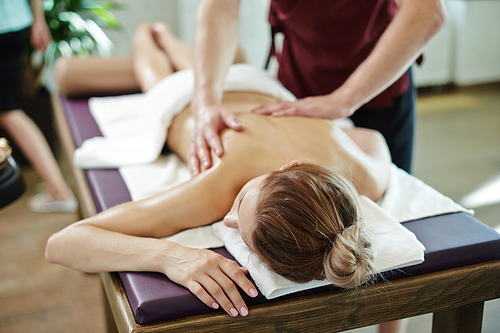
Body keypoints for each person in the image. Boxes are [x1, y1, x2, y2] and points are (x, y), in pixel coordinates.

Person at [47, 22, 392, 319]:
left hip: (256, 83)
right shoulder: (220, 183)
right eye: (239, 202)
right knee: (158, 78)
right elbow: (63, 243)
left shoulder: (361, 177)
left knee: (213, 63)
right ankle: (146, 39)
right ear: (289, 167)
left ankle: (165, 37)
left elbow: (372, 137)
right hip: (181, 98)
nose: (227, 219)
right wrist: (171, 257)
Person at [189, 0, 447, 178]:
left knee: (390, 194)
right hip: (299, 80)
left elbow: (428, 11)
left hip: (377, 86)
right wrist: (205, 102)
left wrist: (344, 99)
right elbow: (220, 8)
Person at [0, 0, 77, 212]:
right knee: (9, 112)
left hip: (5, 28)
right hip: (15, 23)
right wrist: (39, 19)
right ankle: (59, 189)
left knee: (9, 112)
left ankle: (60, 191)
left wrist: (39, 20)